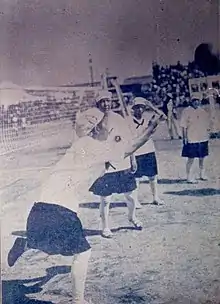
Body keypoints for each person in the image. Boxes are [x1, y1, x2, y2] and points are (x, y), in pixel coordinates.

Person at [7, 106, 162, 304]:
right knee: (83, 253)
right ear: (95, 129)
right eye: (105, 127)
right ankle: (78, 301)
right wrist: (151, 127)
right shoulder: (92, 146)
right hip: (60, 209)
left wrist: (147, 127)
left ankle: (26, 243)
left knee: (53, 247)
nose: (111, 129)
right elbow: (128, 147)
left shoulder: (84, 145)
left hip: (40, 209)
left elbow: (122, 145)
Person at [89, 90, 142, 238]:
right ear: (97, 104)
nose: (106, 104)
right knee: (106, 200)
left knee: (131, 196)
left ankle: (132, 217)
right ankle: (105, 227)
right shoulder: (93, 122)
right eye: (102, 102)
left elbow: (129, 142)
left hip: (122, 163)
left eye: (108, 101)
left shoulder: (119, 119)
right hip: (105, 166)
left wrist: (133, 159)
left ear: (112, 102)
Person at [130, 97, 163, 207]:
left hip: (149, 150)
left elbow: (164, 117)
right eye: (137, 107)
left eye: (141, 107)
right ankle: (135, 201)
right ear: (133, 109)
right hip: (137, 152)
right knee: (136, 178)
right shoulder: (128, 122)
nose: (139, 110)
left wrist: (152, 107)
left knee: (153, 176)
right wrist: (132, 158)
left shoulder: (149, 119)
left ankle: (155, 197)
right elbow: (129, 141)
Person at [180, 97, 211, 183]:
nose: (196, 102)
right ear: (191, 101)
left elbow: (206, 124)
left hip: (202, 138)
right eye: (194, 100)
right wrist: (185, 137)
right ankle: (189, 176)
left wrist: (208, 133)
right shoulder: (186, 111)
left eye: (198, 100)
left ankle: (202, 174)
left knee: (202, 157)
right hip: (191, 138)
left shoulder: (202, 111)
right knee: (191, 158)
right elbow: (184, 126)